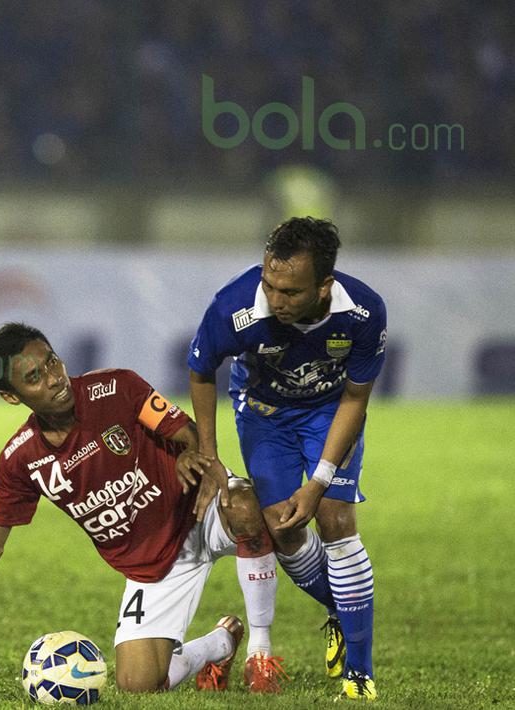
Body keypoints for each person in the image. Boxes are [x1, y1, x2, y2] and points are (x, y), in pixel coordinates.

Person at [0, 323, 286, 693]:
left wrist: (188, 453)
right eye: (35, 378)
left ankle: (261, 654)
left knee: (249, 509)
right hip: (152, 565)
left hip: (197, 507)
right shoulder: (21, 460)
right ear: (10, 396)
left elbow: (187, 432)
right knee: (138, 684)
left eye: (52, 361)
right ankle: (221, 643)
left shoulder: (116, 387)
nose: (54, 379)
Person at [187, 217, 385, 700]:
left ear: (324, 287)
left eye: (291, 292)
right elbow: (200, 369)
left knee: (336, 520)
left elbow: (356, 399)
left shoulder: (363, 312)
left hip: (329, 410)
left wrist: (318, 482)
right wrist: (209, 455)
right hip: (264, 413)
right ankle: (342, 609)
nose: (276, 299)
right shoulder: (234, 306)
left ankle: (360, 674)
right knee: (282, 525)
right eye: (270, 284)